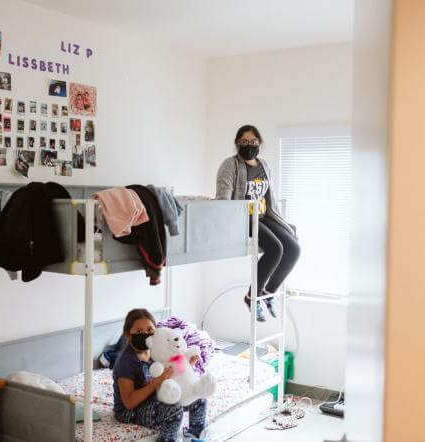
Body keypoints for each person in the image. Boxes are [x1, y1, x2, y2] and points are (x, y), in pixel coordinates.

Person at [216, 124, 300, 322]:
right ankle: (252, 298)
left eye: (253, 141)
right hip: (243, 216)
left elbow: (270, 196)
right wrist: (225, 221)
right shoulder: (231, 165)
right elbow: (223, 197)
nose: (249, 145)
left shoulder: (263, 165)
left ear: (259, 143)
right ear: (237, 144)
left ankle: (268, 293)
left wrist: (283, 224)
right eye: (244, 142)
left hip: (264, 214)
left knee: (294, 249)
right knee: (275, 249)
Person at [113, 309, 207, 442]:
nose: (145, 334)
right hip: (129, 410)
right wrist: (158, 381)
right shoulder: (126, 361)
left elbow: (171, 374)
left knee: (198, 397)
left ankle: (194, 435)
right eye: (138, 331)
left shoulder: (157, 351)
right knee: (174, 411)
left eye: (149, 329)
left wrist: (188, 366)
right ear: (128, 334)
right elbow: (129, 403)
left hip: (157, 396)